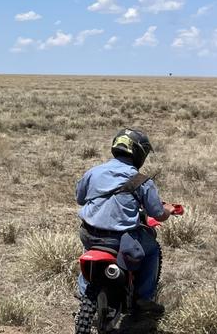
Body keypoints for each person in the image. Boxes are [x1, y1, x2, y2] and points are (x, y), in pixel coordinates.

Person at [75, 128, 179, 315]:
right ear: (139, 153)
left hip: (88, 233)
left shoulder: (93, 172)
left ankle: (84, 291)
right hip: (119, 240)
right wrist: (169, 210)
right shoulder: (141, 181)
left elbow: (80, 199)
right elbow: (157, 212)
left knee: (88, 248)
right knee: (152, 249)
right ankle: (143, 298)